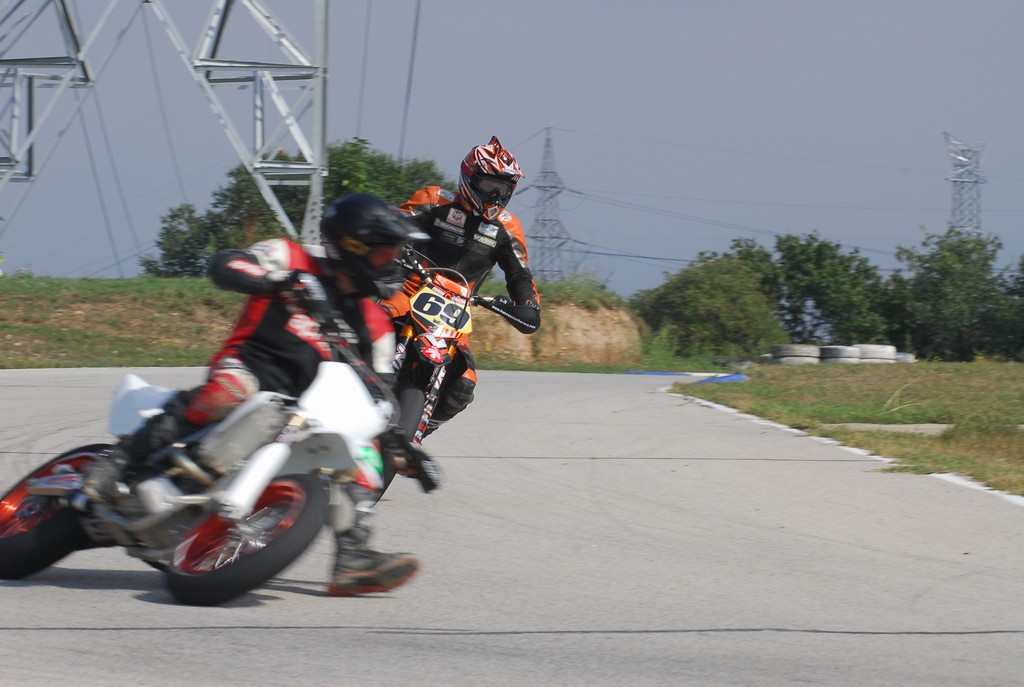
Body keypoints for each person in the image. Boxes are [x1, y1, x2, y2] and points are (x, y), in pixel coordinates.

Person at [88, 193, 433, 597]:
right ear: (352, 246)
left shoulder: (374, 322)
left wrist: (395, 440)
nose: (391, 263)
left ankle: (353, 555)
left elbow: (379, 388)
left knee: (362, 454)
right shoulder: (290, 257)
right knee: (229, 391)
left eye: (395, 253)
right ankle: (118, 461)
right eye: (384, 253)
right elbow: (226, 264)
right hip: (249, 368)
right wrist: (276, 281)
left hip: (308, 406)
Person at [380, 136, 541, 435]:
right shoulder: (433, 199)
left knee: (465, 383)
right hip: (410, 289)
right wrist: (392, 254)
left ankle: (420, 428)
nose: (496, 195)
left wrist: (528, 303)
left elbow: (520, 275)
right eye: (489, 185)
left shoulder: (508, 227)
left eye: (503, 188)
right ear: (469, 178)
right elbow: (390, 227)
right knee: (372, 323)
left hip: (456, 312)